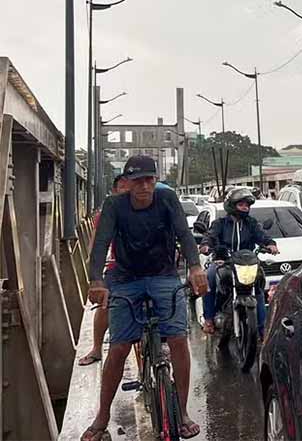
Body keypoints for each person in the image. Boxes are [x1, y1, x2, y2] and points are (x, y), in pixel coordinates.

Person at [81, 155, 207, 441]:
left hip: (163, 275)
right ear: (126, 182)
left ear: (156, 180)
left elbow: (184, 235)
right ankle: (102, 416)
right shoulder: (114, 206)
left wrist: (196, 267)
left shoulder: (167, 199)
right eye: (138, 180)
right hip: (126, 279)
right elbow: (100, 244)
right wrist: (96, 280)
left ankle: (183, 411)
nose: (144, 186)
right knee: (120, 347)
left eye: (150, 179)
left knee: (177, 338)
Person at [200, 187, 278, 337]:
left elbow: (262, 236)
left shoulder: (251, 223)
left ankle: (263, 330)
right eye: (241, 204)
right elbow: (210, 236)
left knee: (259, 286)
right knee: (209, 278)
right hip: (223, 262)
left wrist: (270, 244)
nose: (245, 208)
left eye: (247, 205)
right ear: (232, 205)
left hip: (247, 263)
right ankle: (209, 319)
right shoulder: (220, 223)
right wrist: (206, 245)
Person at [77, 174, 129, 366]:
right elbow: (97, 243)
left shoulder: (148, 207)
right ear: (114, 191)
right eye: (122, 187)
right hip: (119, 266)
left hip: (147, 267)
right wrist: (95, 271)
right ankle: (97, 348)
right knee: (105, 302)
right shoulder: (109, 213)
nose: (127, 190)